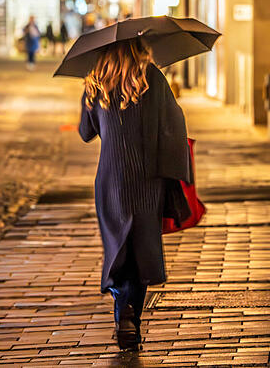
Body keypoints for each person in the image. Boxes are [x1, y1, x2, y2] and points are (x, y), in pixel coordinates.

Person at [78, 39, 191, 351]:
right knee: (140, 250)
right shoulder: (151, 78)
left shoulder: (94, 81)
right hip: (146, 178)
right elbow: (174, 122)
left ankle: (123, 312)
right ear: (139, 49)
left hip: (110, 179)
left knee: (118, 248)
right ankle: (129, 317)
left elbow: (86, 132)